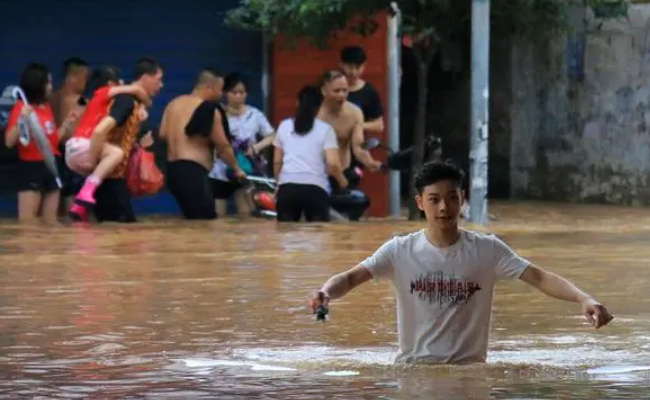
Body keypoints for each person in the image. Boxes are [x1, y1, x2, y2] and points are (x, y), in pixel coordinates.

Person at [309, 161, 614, 364]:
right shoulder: (399, 251)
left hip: (470, 376)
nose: (444, 207)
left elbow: (539, 277)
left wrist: (584, 298)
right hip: (415, 373)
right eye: (434, 199)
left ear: (462, 199)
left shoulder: (487, 250)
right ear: (419, 203)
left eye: (452, 198)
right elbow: (350, 278)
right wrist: (326, 292)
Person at [65, 65, 152, 221]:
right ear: (112, 84)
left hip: (71, 153)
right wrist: (147, 103)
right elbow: (137, 91)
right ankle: (87, 191)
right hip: (86, 145)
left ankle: (80, 206)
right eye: (120, 83)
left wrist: (142, 107)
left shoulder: (95, 101)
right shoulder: (105, 92)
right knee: (116, 153)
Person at [160, 68, 245, 220]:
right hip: (192, 173)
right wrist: (237, 169)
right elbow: (223, 146)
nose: (221, 95)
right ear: (209, 88)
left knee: (193, 223)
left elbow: (162, 134)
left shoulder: (173, 104)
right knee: (206, 224)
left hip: (172, 173)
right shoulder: (208, 109)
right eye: (220, 89)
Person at [86, 57, 163, 223]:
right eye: (158, 80)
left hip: (113, 178)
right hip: (111, 180)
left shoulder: (132, 101)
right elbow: (102, 131)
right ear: (145, 78)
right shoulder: (126, 101)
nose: (161, 85)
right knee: (124, 233)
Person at [4, 63, 77, 224]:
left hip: (51, 166)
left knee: (51, 223)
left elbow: (51, 143)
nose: (51, 87)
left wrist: (66, 125)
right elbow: (9, 141)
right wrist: (21, 120)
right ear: (38, 85)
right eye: (48, 83)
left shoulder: (46, 108)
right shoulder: (21, 108)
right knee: (29, 224)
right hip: (31, 168)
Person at [273, 86, 348, 222]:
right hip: (315, 191)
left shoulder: (284, 126)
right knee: (317, 238)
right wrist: (343, 182)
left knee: (286, 239)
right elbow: (333, 164)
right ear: (320, 106)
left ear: (297, 103)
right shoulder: (325, 130)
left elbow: (277, 162)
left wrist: (279, 184)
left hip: (287, 190)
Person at [209, 72, 275, 218]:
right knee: (217, 215)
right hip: (218, 171)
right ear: (225, 93)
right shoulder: (217, 113)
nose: (238, 96)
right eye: (234, 92)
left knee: (245, 214)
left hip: (244, 170)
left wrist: (256, 147)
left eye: (242, 92)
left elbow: (272, 135)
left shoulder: (255, 115)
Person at [317, 69, 381, 191]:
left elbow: (357, 146)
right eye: (336, 91)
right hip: (316, 175)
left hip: (342, 173)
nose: (341, 95)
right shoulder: (315, 114)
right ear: (324, 91)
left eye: (345, 90)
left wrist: (369, 161)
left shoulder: (354, 113)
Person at [50, 57, 90, 214]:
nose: (86, 82)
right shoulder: (79, 101)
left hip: (55, 152)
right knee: (73, 194)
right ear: (72, 78)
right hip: (72, 152)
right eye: (84, 77)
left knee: (62, 193)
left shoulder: (52, 97)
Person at [340, 46, 384, 135]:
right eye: (350, 67)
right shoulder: (331, 87)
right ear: (341, 64)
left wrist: (359, 126)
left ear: (364, 65)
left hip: (357, 144)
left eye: (357, 68)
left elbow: (379, 125)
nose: (354, 72)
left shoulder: (369, 92)